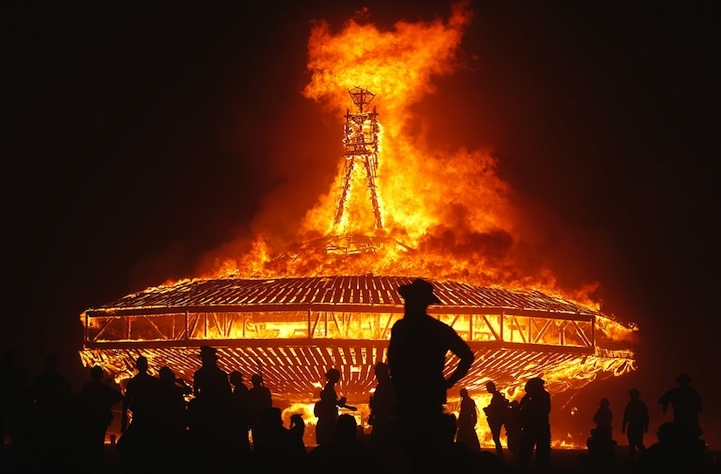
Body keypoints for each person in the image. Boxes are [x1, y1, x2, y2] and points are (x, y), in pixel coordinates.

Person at [387, 278, 475, 467]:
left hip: (409, 400)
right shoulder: (438, 330)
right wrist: (448, 382)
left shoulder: (401, 329)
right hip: (428, 398)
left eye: (411, 300)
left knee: (411, 456)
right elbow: (467, 356)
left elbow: (393, 362)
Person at [78, 365, 124, 469]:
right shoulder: (104, 389)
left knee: (90, 442)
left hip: (89, 419)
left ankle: (90, 465)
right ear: (101, 375)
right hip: (101, 419)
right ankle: (98, 464)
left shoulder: (87, 387)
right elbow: (119, 397)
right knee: (99, 442)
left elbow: (80, 399)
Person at [518, 377, 551, 472]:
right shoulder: (530, 396)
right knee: (539, 451)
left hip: (535, 427)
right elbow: (521, 407)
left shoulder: (540, 396)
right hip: (537, 427)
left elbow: (546, 410)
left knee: (529, 451)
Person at [658, 373, 703, 444]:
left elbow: (661, 401)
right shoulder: (692, 393)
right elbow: (700, 408)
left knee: (681, 442)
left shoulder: (675, 393)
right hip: (689, 423)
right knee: (690, 443)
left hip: (684, 423)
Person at [314, 368, 349, 447]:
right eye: (337, 376)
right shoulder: (329, 388)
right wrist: (341, 402)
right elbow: (330, 403)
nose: (339, 378)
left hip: (328, 419)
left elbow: (331, 402)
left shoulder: (329, 387)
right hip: (328, 421)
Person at [367, 361, 397, 454]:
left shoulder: (384, 386)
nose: (376, 376)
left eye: (377, 373)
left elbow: (379, 404)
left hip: (383, 421)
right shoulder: (391, 384)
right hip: (387, 420)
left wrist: (372, 415)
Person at [483, 380, 510, 459]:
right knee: (496, 437)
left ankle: (500, 455)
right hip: (498, 419)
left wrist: (488, 409)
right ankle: (499, 454)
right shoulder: (497, 395)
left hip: (496, 420)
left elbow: (496, 408)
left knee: (496, 437)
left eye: (488, 388)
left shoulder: (496, 396)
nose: (487, 389)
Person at [622, 388, 649, 460]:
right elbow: (626, 416)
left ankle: (644, 455)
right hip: (635, 426)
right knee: (633, 443)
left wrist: (624, 426)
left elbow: (645, 416)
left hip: (636, 426)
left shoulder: (634, 405)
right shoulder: (638, 404)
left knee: (637, 442)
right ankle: (636, 458)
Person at [456, 387, 481, 452]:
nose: (460, 394)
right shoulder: (468, 401)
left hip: (466, 420)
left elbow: (471, 412)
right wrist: (474, 420)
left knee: (465, 434)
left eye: (461, 393)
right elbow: (473, 412)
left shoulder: (467, 401)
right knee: (470, 434)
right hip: (467, 420)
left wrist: (474, 420)